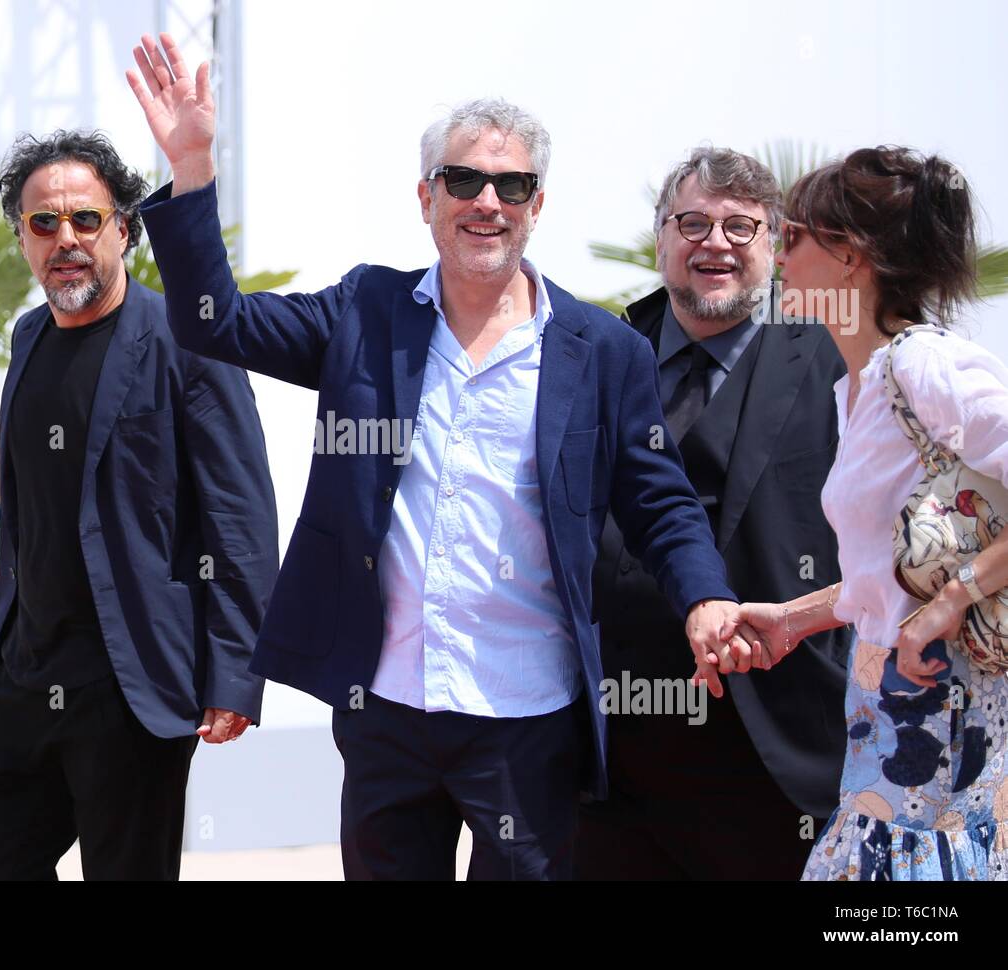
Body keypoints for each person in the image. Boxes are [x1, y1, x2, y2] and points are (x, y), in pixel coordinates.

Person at [125, 33, 749, 881]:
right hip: (386, 711)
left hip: (527, 718)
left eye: (511, 185)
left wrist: (706, 597)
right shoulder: (365, 313)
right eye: (464, 180)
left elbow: (659, 503)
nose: (486, 201)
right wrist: (194, 167)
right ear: (427, 197)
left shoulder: (602, 350)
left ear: (537, 205)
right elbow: (213, 320)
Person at [0, 129, 279, 880]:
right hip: (24, 678)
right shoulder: (29, 336)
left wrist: (235, 673)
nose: (65, 239)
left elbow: (240, 517)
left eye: (85, 219)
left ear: (124, 229)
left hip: (131, 684)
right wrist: (8, 655)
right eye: (44, 223)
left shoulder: (186, 342)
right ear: (23, 239)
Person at [719, 146, 1008, 880]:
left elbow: (925, 594)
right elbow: (881, 578)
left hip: (945, 712)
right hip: (883, 711)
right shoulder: (860, 386)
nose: (778, 256)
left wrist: (954, 600)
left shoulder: (925, 365)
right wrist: (795, 618)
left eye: (792, 236)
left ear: (851, 257)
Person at [578, 148, 850, 880]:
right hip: (601, 751)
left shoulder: (834, 362)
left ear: (775, 244)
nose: (715, 243)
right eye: (693, 223)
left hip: (768, 747)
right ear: (661, 238)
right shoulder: (594, 355)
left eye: (741, 227)